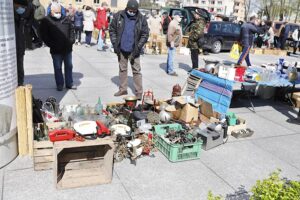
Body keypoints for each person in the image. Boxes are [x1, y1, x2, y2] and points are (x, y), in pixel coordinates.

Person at [109, 0, 149, 99]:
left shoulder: (141, 18)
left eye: (133, 11)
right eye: (130, 10)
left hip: (134, 49)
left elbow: (145, 34)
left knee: (136, 71)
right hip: (122, 49)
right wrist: (115, 44)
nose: (131, 12)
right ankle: (123, 89)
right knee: (122, 69)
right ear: (126, 8)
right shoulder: (119, 16)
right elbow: (112, 30)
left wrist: (138, 47)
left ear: (137, 10)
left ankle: (139, 92)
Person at [40, 3, 76, 91]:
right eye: (56, 12)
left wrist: (71, 40)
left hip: (67, 49)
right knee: (58, 67)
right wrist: (51, 44)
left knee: (69, 66)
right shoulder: (46, 20)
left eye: (59, 12)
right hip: (55, 50)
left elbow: (71, 30)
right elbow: (44, 35)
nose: (58, 13)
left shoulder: (66, 18)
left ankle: (69, 83)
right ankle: (60, 84)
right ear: (51, 11)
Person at [13, 0, 28, 86]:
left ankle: (21, 83)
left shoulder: (21, 17)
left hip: (20, 48)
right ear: (15, 4)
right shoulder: (12, 19)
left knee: (20, 68)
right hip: (13, 50)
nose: (23, 9)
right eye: (22, 7)